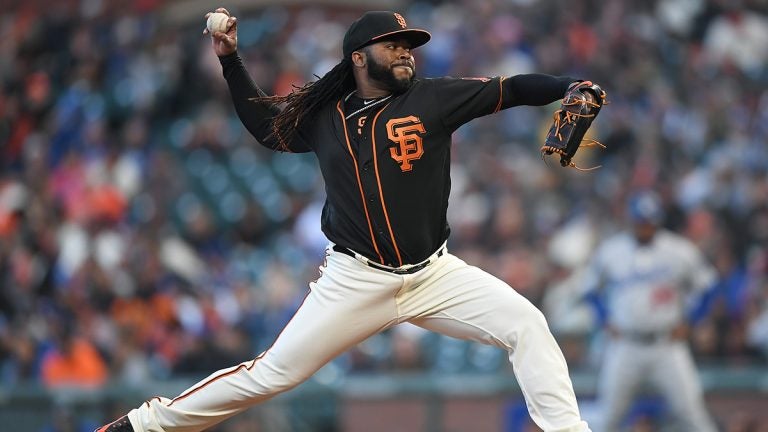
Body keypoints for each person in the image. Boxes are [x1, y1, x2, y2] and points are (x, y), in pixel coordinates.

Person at [97, 8, 595, 432]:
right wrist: (230, 60)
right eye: (392, 45)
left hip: (434, 274)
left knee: (527, 324)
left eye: (409, 45)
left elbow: (511, 88)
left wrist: (565, 85)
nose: (405, 52)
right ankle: (146, 424)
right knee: (272, 374)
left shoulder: (434, 98)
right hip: (356, 279)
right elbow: (266, 128)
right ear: (358, 57)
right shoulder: (324, 115)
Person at [582, 191, 718, 432]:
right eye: (640, 222)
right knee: (609, 417)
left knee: (692, 416)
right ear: (631, 220)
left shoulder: (678, 250)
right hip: (625, 344)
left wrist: (691, 321)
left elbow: (709, 287)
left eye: (649, 222)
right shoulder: (613, 250)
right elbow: (590, 290)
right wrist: (605, 319)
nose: (645, 227)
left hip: (666, 345)